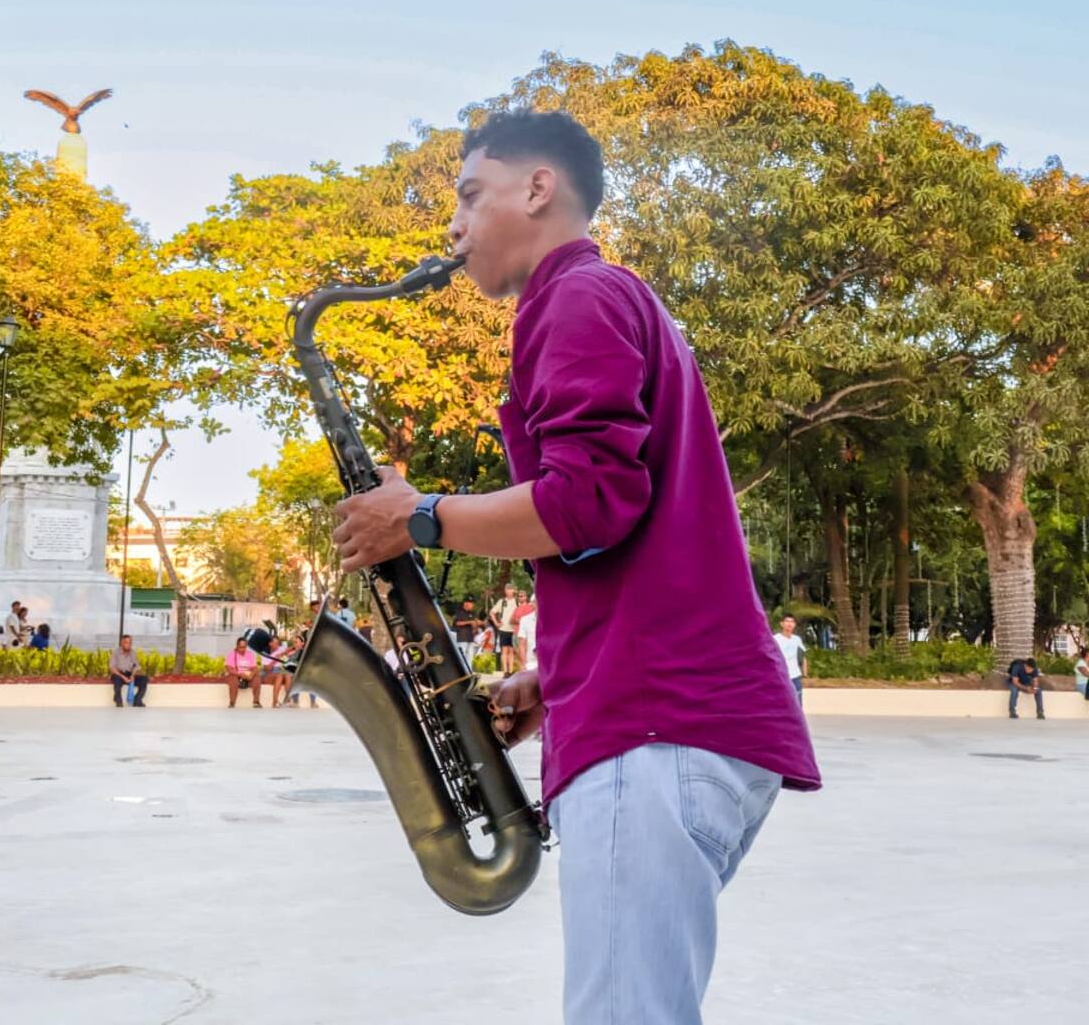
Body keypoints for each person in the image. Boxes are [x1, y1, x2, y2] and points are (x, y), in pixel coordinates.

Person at [332, 110, 820, 1024]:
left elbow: (590, 502)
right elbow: (621, 534)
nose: (454, 226)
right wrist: (556, 682)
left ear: (537, 188)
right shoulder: (610, 298)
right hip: (675, 723)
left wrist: (420, 518)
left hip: (655, 730)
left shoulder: (576, 298)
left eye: (469, 195)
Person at [774, 614, 808, 705]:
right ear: (782, 624)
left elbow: (803, 656)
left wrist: (805, 674)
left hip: (795, 675)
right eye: (787, 621)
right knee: (782, 702)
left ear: (795, 624)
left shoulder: (797, 639)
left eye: (792, 622)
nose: (789, 624)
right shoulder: (776, 639)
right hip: (781, 675)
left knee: (797, 702)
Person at [109, 634, 148, 707]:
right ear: (122, 643)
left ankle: (137, 700)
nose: (129, 645)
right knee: (116, 679)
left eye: (130, 643)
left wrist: (132, 675)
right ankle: (118, 701)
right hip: (119, 674)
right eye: (127, 643)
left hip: (129, 674)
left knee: (144, 679)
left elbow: (136, 666)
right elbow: (112, 668)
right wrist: (123, 677)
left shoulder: (132, 652)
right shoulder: (116, 652)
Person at [224, 636, 263, 707]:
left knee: (257, 677)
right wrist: (240, 674)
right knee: (232, 678)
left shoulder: (250, 654)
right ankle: (232, 703)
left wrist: (251, 675)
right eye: (241, 647)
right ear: (237, 646)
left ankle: (256, 702)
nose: (243, 649)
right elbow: (229, 669)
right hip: (236, 675)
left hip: (247, 675)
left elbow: (254, 667)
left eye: (244, 647)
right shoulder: (231, 655)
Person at [491, 583, 519, 674]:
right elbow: (492, 612)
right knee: (504, 650)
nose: (509, 591)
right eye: (507, 589)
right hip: (503, 629)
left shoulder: (517, 602)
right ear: (505, 591)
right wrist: (496, 623)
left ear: (514, 590)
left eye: (511, 589)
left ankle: (510, 671)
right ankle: (505, 671)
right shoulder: (502, 601)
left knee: (512, 651)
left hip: (514, 630)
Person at [451, 596, 480, 664]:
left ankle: (468, 669)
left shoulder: (472, 613)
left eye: (472, 603)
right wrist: (470, 622)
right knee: (462, 656)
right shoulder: (460, 612)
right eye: (471, 603)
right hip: (462, 637)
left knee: (470, 656)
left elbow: (475, 622)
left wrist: (476, 627)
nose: (472, 605)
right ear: (466, 603)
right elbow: (457, 623)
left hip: (470, 637)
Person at [513, 590, 537, 670]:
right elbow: (522, 644)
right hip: (531, 663)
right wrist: (524, 664)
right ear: (533, 604)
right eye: (535, 602)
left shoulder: (553, 620)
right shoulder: (525, 619)